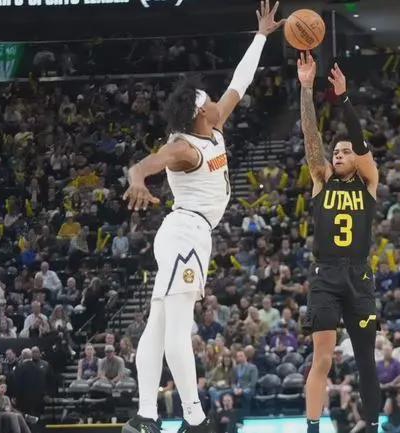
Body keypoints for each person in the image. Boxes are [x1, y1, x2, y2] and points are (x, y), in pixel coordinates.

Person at [121, 4, 284, 433]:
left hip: (189, 233)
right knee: (177, 328)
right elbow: (146, 164)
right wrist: (137, 179)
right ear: (199, 111)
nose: (216, 101)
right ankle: (194, 417)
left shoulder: (213, 128)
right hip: (185, 233)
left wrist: (261, 36)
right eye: (209, 100)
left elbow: (239, 83)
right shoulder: (184, 147)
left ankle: (145, 415)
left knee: (159, 325)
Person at [298, 52, 381, 433]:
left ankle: (373, 426)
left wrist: (343, 99)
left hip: (359, 276)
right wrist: (306, 89)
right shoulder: (322, 179)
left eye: (345, 151)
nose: (339, 154)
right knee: (323, 359)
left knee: (366, 359)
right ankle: (313, 427)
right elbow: (310, 136)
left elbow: (360, 143)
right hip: (326, 276)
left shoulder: (369, 182)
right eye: (337, 152)